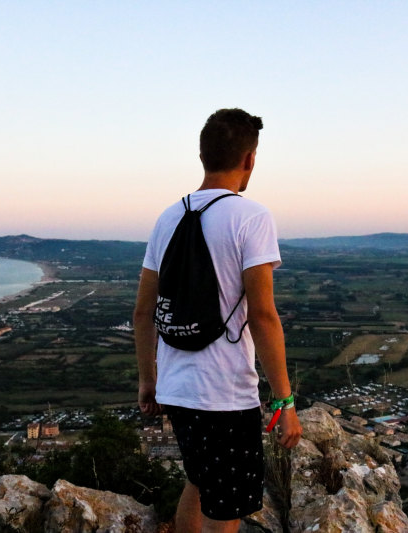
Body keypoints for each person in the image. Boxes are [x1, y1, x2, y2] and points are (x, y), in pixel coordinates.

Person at [134, 108, 302, 532]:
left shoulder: (167, 218)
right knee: (226, 511)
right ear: (249, 160)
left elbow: (142, 313)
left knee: (199, 478)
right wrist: (285, 400)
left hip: (177, 388)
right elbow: (263, 315)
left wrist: (148, 381)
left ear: (203, 155)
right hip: (224, 393)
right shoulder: (251, 218)